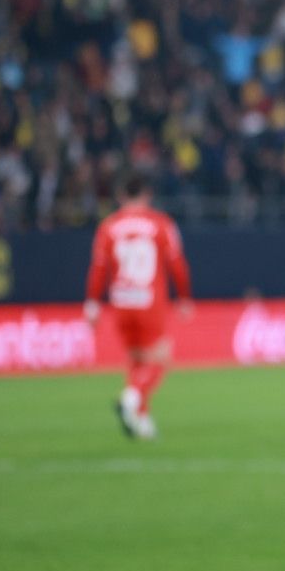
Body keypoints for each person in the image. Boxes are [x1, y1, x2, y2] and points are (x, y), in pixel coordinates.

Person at [84, 174, 192, 440]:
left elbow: (99, 268)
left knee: (136, 359)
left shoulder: (108, 226)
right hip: (149, 301)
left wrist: (92, 302)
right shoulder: (160, 224)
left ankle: (140, 419)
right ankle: (132, 399)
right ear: (147, 195)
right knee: (161, 358)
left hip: (121, 300)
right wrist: (184, 297)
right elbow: (177, 264)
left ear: (121, 196)